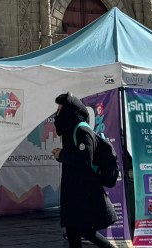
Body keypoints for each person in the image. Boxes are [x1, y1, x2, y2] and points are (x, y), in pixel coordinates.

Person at [52, 93, 114, 248]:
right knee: (75, 230)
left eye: (60, 108)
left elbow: (84, 160)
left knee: (81, 229)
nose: (57, 113)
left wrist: (62, 155)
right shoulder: (72, 131)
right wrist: (62, 155)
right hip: (74, 190)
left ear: (69, 111)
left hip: (83, 191)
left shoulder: (81, 131)